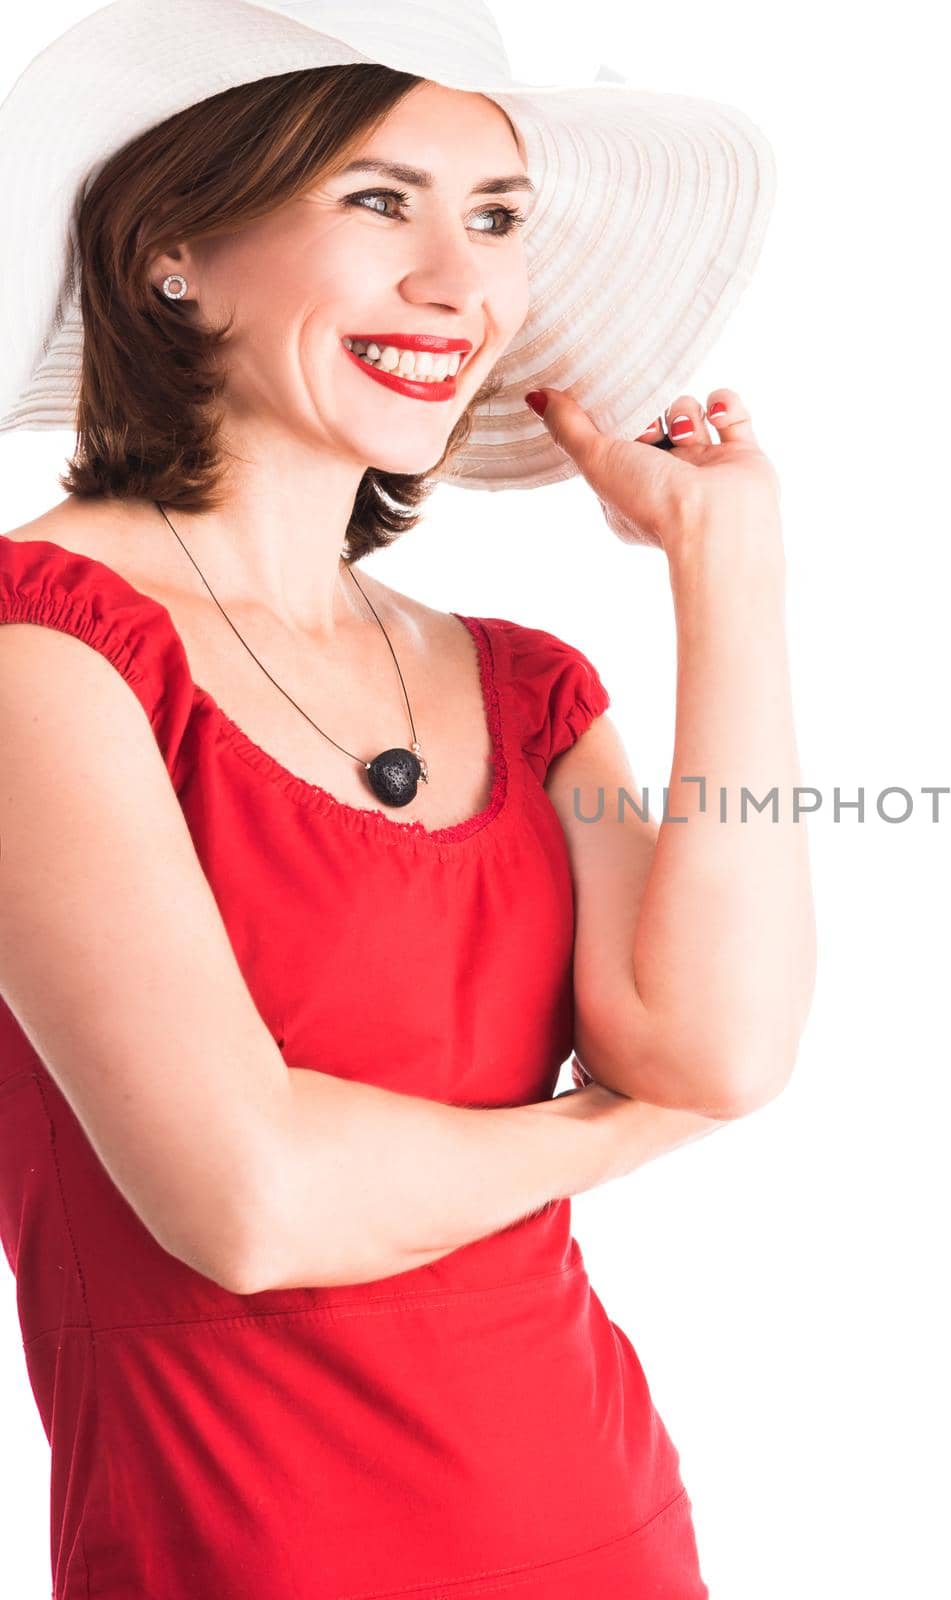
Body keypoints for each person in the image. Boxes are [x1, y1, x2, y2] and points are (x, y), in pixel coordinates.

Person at [0, 3, 814, 1595]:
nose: (462, 282)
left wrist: (731, 575)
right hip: (248, 1554)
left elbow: (718, 1047)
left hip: (604, 1523)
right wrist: (616, 1127)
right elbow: (251, 1202)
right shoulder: (45, 647)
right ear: (174, 246)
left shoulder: (527, 688)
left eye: (496, 217)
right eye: (380, 201)